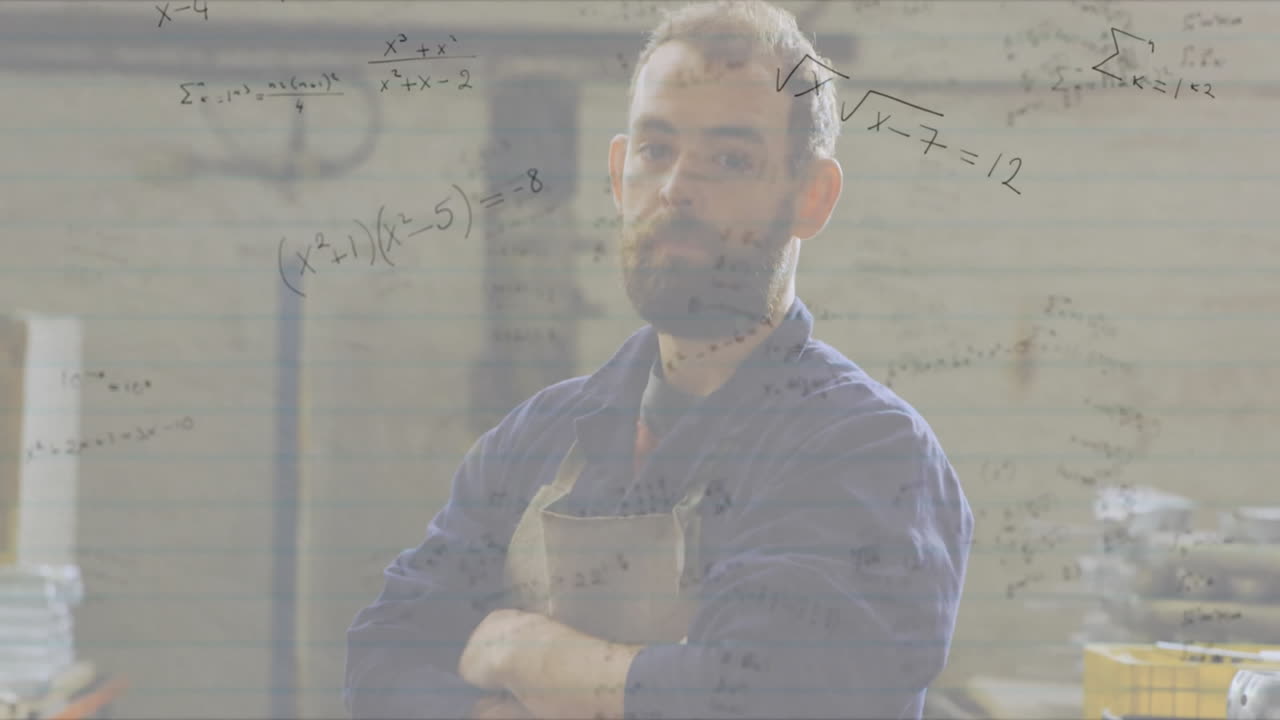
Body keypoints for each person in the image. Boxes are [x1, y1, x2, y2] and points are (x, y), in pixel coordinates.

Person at [344, 1, 973, 718]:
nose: (677, 188)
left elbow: (764, 700)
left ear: (812, 196)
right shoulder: (537, 437)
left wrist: (526, 654)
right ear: (619, 176)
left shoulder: (869, 454)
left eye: (731, 159)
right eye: (655, 150)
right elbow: (384, 658)